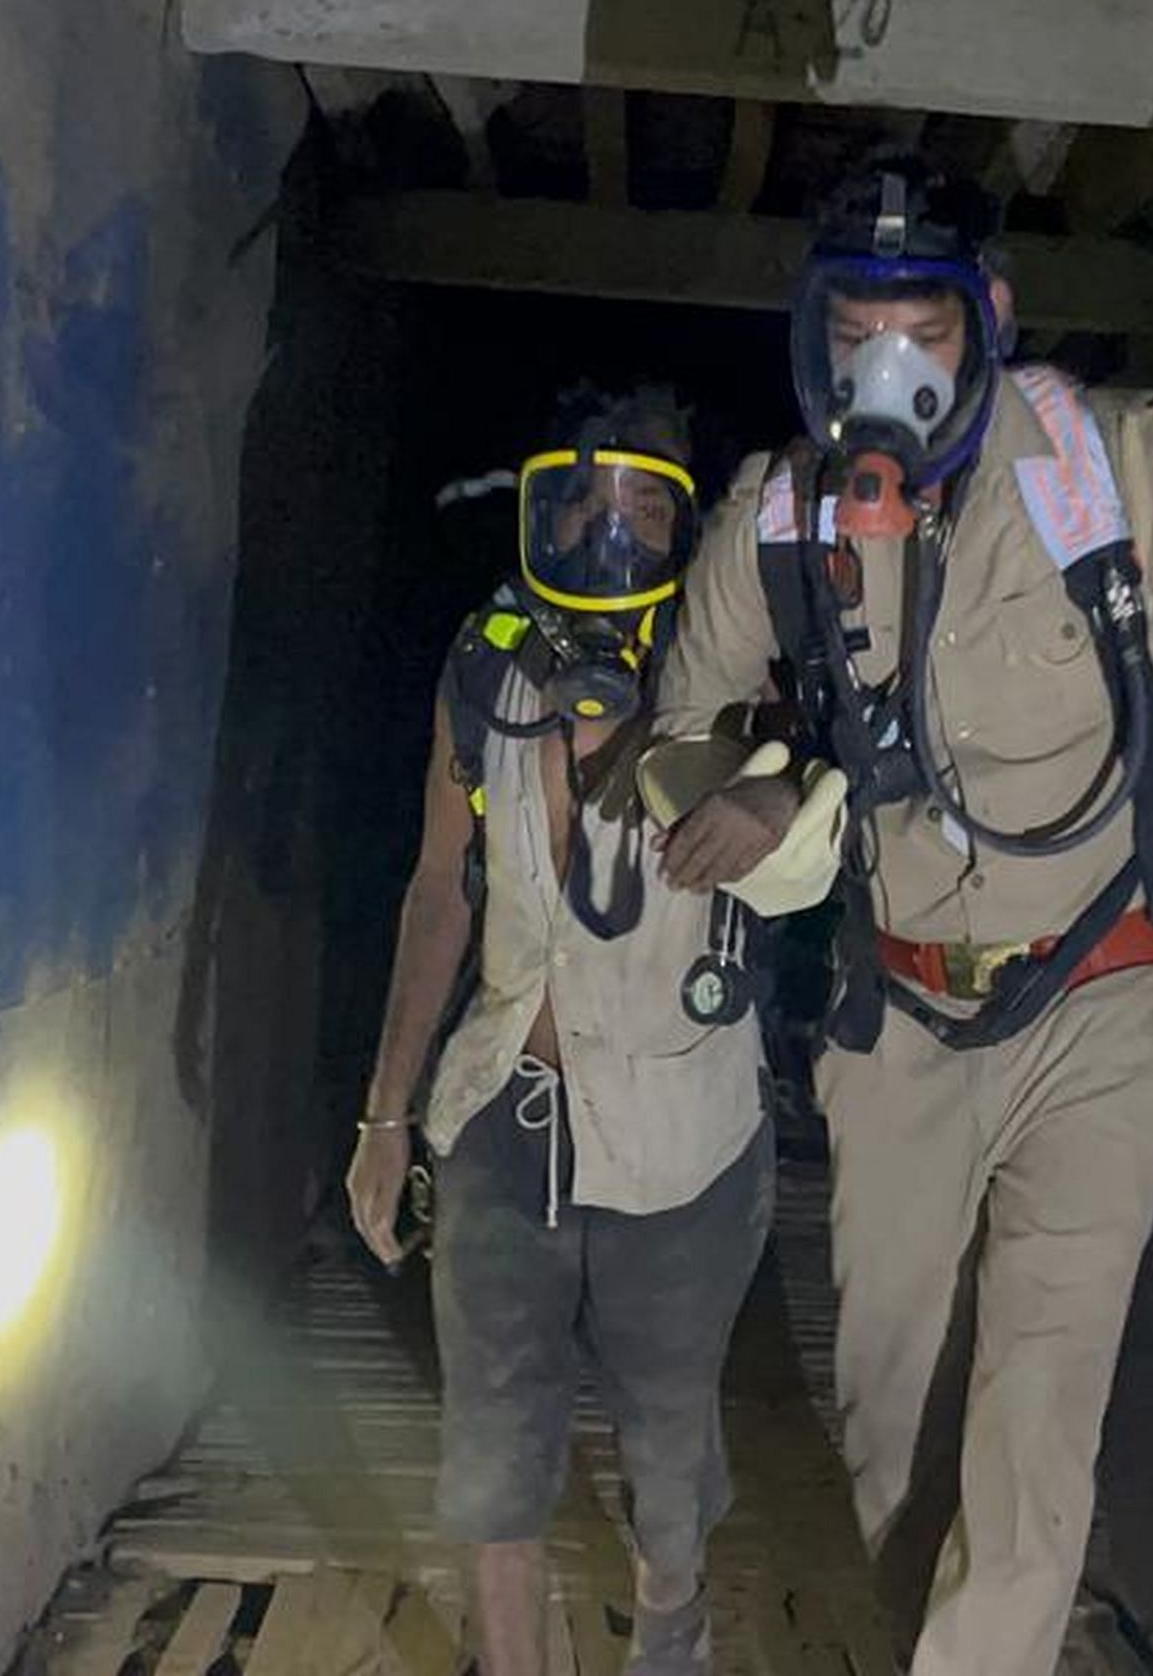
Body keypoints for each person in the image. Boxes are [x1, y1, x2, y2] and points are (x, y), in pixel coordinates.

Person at [644, 157, 1153, 1676]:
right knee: (895, 1428)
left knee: (1034, 1406)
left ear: (991, 320)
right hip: (896, 1019)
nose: (890, 368)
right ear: (815, 338)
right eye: (858, 333)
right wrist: (759, 792)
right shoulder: (780, 518)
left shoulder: (1110, 471)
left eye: (926, 326)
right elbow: (675, 730)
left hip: (1110, 998)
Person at [347, 392, 775, 1676]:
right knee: (493, 1441)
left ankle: (670, 1628)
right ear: (540, 512)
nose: (611, 533)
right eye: (584, 504)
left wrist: (769, 792)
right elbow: (438, 891)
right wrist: (383, 1118)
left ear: (685, 528)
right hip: (500, 1120)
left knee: (664, 1439)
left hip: (681, 1136)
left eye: (645, 508)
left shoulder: (739, 674)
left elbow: (822, 821)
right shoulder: (485, 667)